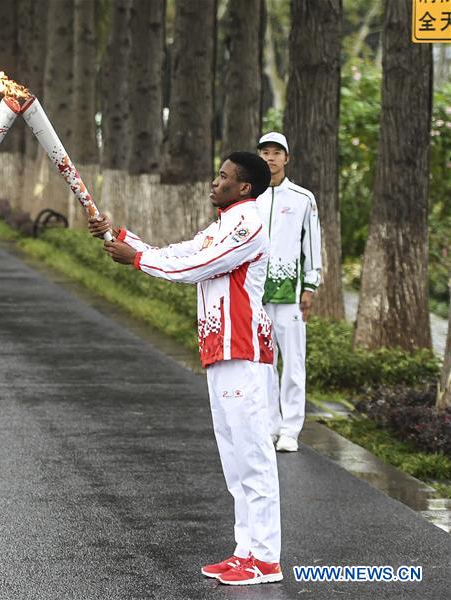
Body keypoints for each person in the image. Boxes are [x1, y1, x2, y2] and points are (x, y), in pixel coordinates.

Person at [88, 152, 283, 586]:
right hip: (219, 349)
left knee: (253, 458)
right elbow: (177, 252)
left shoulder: (247, 224)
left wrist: (135, 260)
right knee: (234, 461)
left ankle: (267, 559)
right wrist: (121, 236)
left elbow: (196, 268)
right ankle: (245, 550)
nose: (215, 182)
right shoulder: (223, 223)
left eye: (223, 177)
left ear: (244, 187)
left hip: (244, 349)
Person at [256, 132, 322, 453]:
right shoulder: (249, 197)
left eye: (276, 153)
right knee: (264, 362)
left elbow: (312, 245)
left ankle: (291, 429)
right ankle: (269, 425)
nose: (270, 158)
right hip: (256, 295)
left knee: (294, 363)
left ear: (286, 158)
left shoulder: (302, 198)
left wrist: (310, 286)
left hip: (292, 294)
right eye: (265, 152)